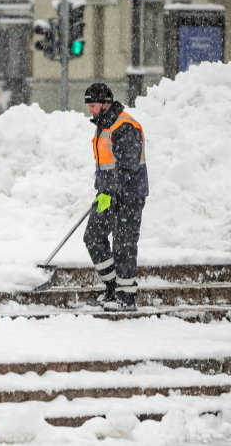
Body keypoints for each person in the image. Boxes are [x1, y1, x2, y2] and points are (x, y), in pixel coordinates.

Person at [82, 82, 148, 311]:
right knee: (92, 236)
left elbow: (128, 165)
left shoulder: (124, 125)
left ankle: (126, 296)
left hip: (129, 195)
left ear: (105, 103)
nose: (90, 109)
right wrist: (104, 189)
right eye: (88, 105)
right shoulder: (103, 125)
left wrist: (110, 187)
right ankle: (111, 286)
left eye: (93, 105)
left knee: (124, 244)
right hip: (107, 194)